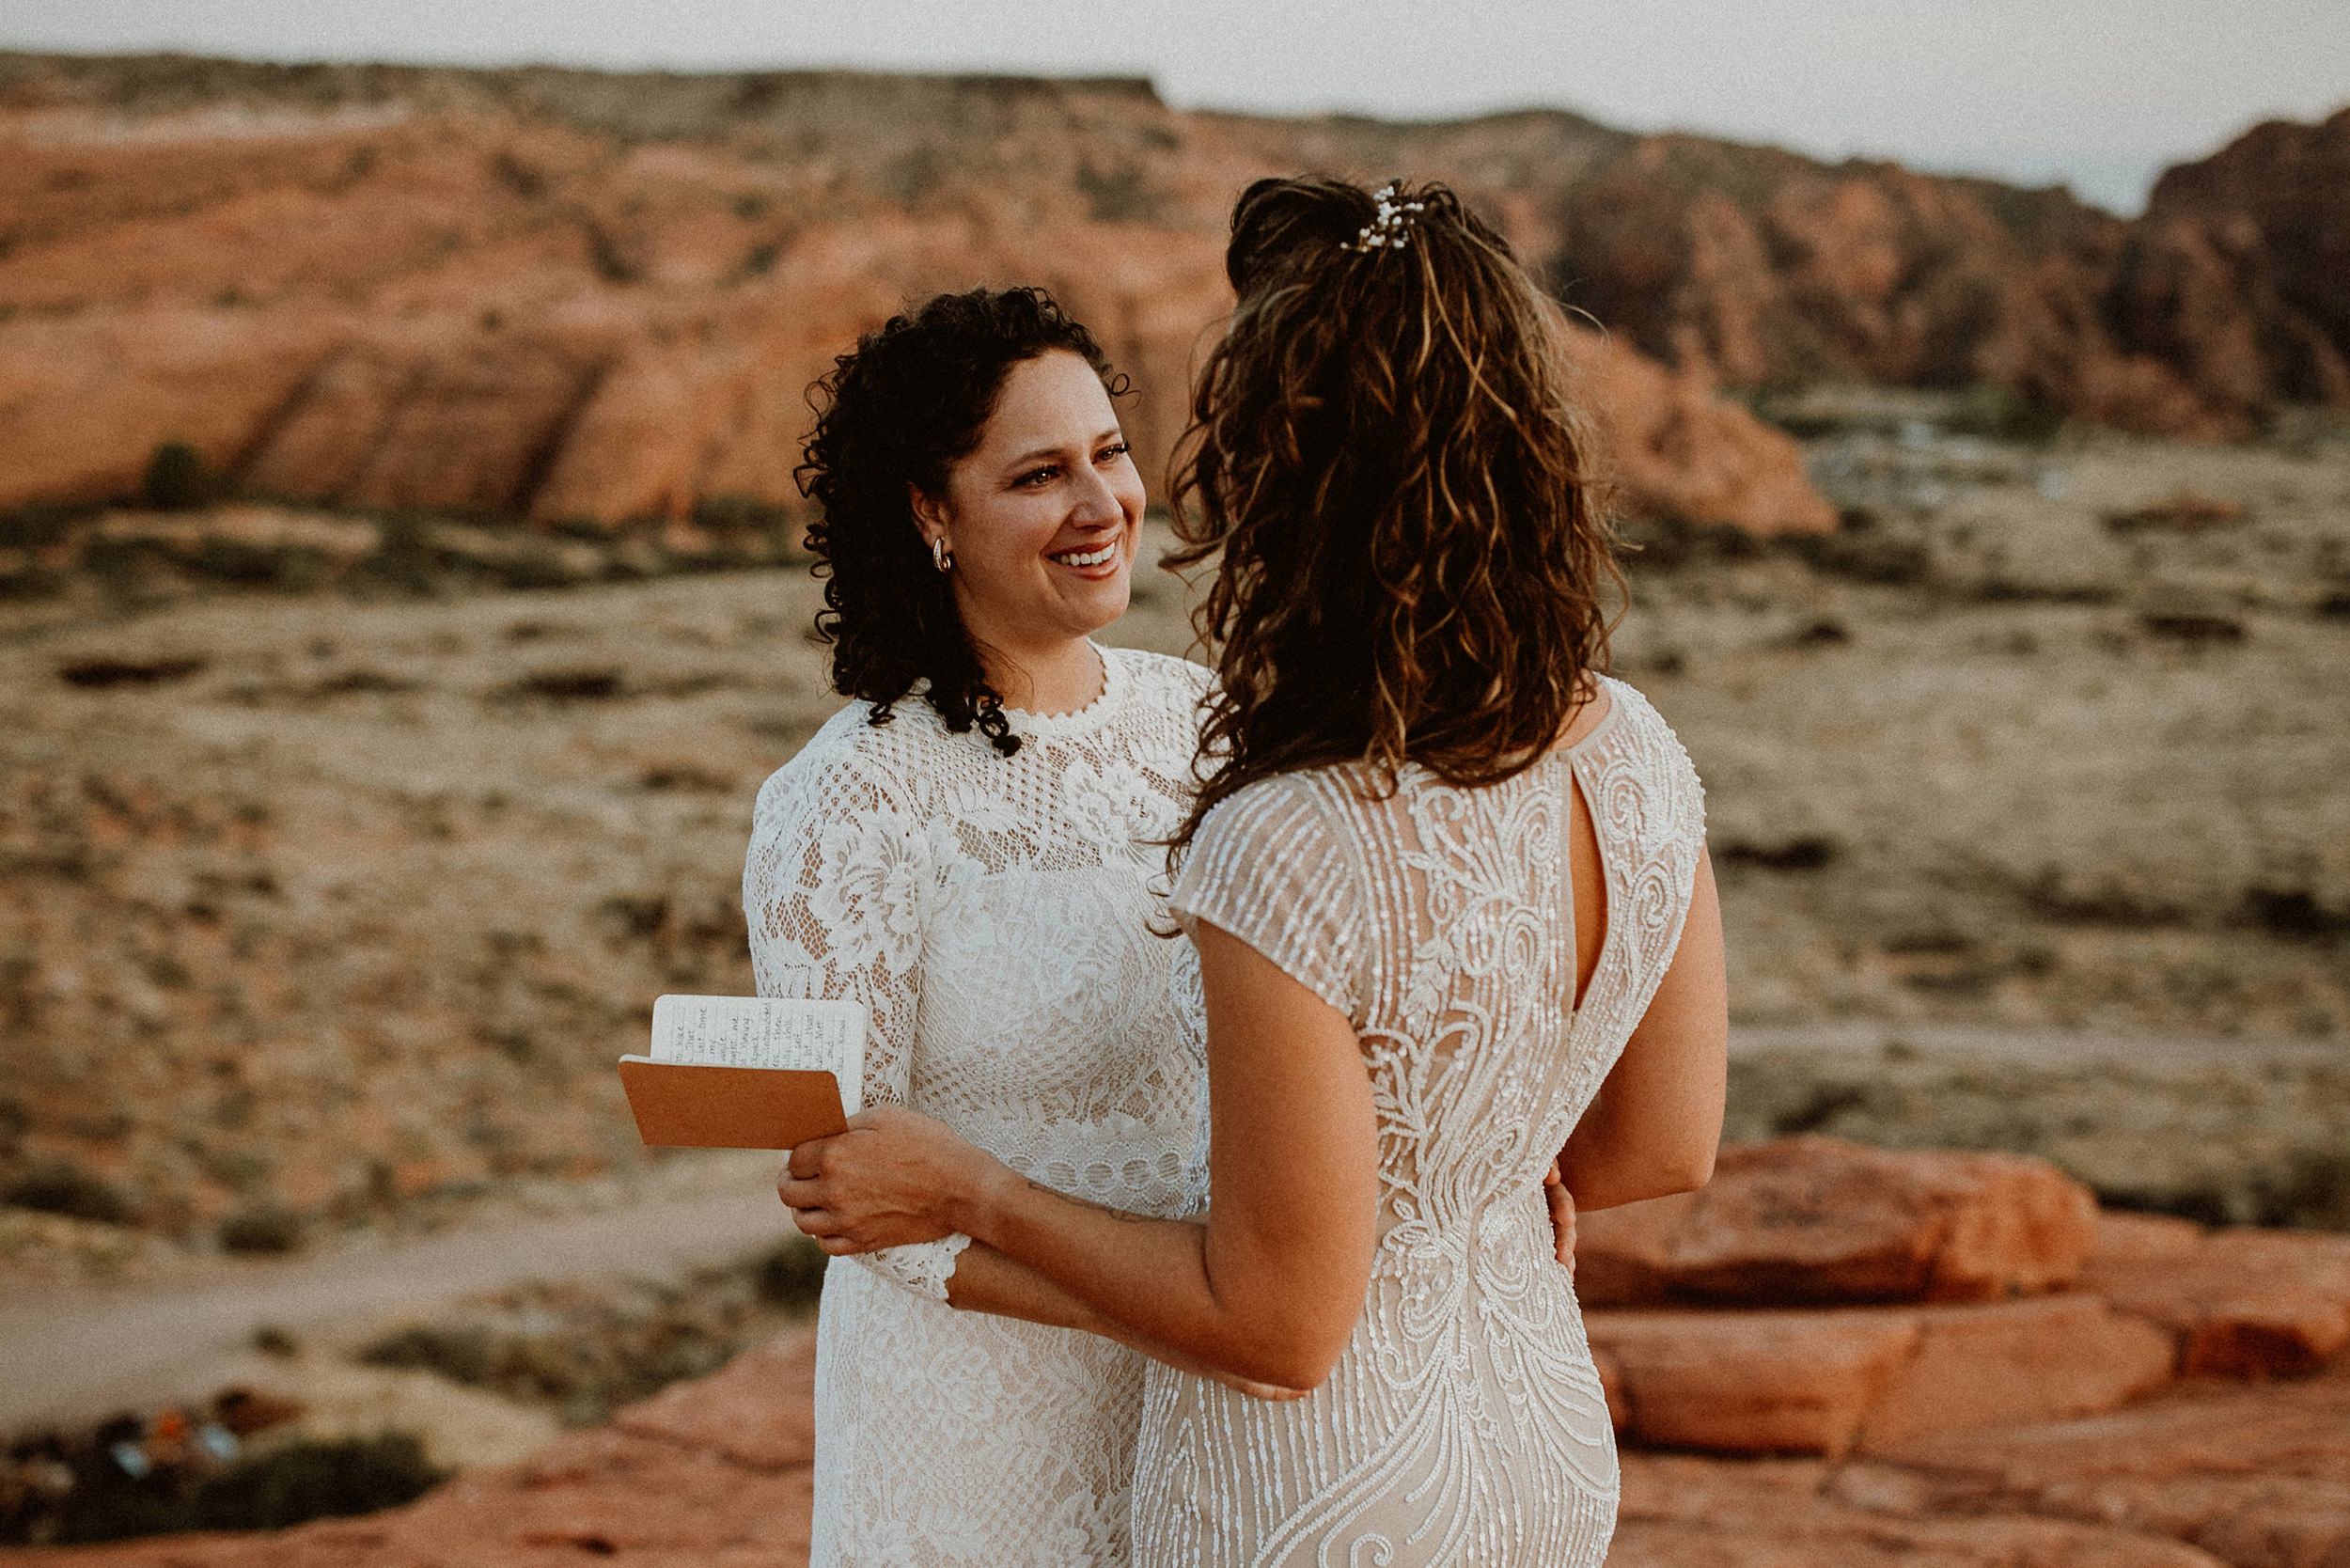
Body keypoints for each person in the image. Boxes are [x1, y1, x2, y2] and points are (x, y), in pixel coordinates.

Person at [780, 178, 1729, 1568]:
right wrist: (1446, 1170)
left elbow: (1282, 1328)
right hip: (1526, 1432)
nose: (1125, 494)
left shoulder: (1279, 824)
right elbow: (1657, 1148)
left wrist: (988, 1198)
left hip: (1315, 1478)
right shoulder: (1636, 749)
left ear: (1299, 475)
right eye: (1041, 471)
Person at [749, 285, 1225, 1566]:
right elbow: (859, 1201)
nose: (1100, 505)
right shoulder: (850, 798)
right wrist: (1179, 1311)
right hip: (978, 1431)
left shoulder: (1215, 725)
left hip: (1224, 1405)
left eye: (1110, 454)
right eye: (1038, 475)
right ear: (929, 512)